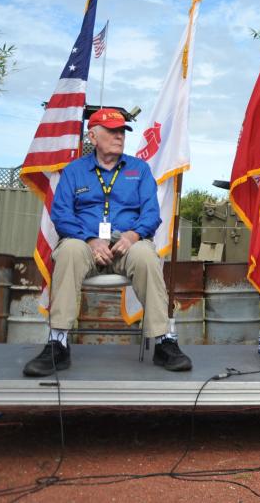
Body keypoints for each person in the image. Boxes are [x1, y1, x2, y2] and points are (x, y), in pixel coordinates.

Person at [22, 108, 192, 377]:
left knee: (147, 256)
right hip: (85, 242)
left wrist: (133, 235)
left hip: (127, 243)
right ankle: (58, 343)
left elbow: (151, 213)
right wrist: (89, 240)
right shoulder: (74, 171)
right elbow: (62, 214)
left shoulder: (139, 169)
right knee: (68, 252)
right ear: (93, 135)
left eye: (122, 131)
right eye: (112, 131)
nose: (119, 136)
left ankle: (162, 342)